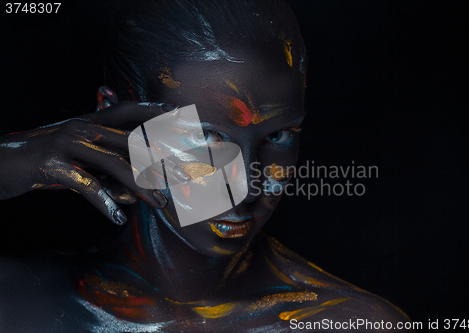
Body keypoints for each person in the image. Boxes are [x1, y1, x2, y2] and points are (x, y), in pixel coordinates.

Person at [0, 0, 412, 331]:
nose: (249, 188)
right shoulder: (17, 299)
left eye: (278, 135)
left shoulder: (352, 323)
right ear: (116, 116)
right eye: (206, 137)